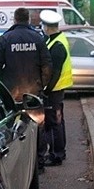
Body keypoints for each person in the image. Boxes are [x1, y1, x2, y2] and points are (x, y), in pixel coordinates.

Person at [0, 7, 52, 102]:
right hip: (34, 92)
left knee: (13, 116)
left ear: (14, 20)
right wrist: (41, 85)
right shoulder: (38, 38)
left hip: (11, 92)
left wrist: (3, 86)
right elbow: (47, 65)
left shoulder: (6, 38)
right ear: (28, 20)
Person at [39, 9, 72, 167]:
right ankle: (59, 151)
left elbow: (55, 72)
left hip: (55, 90)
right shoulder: (55, 39)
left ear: (48, 27)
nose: (42, 28)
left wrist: (46, 89)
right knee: (58, 121)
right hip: (57, 89)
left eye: (43, 25)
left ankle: (56, 155)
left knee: (54, 123)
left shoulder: (57, 45)